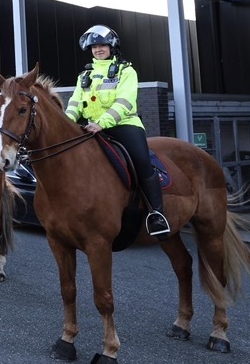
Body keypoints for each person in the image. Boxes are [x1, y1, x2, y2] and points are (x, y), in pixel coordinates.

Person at [65, 24, 171, 239]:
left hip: (124, 126)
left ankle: (157, 214)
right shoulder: (85, 75)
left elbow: (124, 102)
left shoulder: (126, 71)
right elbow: (74, 103)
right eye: (94, 46)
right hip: (92, 129)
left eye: (102, 45)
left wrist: (102, 123)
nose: (98, 49)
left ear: (112, 46)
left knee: (141, 161)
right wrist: (66, 124)